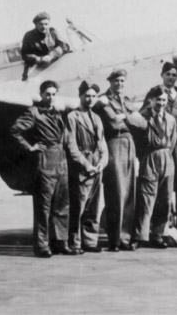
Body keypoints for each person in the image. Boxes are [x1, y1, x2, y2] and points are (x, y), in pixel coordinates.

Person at [10, 80, 71, 257]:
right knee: (43, 206)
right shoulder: (34, 112)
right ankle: (42, 245)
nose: (50, 97)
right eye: (47, 94)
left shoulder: (58, 113)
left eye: (53, 94)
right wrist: (30, 147)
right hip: (45, 161)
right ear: (42, 94)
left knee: (62, 204)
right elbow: (14, 130)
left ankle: (60, 242)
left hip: (61, 160)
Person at [141, 62, 177, 240]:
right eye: (168, 74)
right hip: (161, 139)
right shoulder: (154, 92)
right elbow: (144, 112)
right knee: (161, 182)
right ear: (162, 75)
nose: (171, 78)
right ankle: (157, 225)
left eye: (174, 75)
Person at [93, 68, 138, 252]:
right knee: (116, 193)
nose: (119, 84)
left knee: (129, 194)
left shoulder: (126, 101)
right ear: (110, 82)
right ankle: (115, 240)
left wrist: (124, 117)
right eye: (116, 81)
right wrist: (129, 117)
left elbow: (142, 124)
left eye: (122, 81)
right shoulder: (103, 100)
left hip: (129, 144)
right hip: (115, 143)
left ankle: (125, 238)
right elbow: (112, 122)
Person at [131, 85, 177, 248]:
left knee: (164, 199)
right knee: (146, 199)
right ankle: (141, 236)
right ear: (151, 101)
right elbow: (136, 140)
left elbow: (172, 142)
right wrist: (144, 157)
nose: (161, 103)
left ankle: (159, 234)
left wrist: (165, 155)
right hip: (150, 157)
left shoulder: (171, 120)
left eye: (164, 100)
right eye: (158, 100)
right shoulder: (143, 118)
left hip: (166, 158)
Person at [66, 81, 109, 254]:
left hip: (97, 165)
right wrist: (86, 165)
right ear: (80, 96)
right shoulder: (72, 117)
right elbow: (71, 146)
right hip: (82, 166)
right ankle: (75, 243)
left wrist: (102, 163)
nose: (90, 99)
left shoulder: (97, 118)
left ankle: (90, 241)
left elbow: (103, 144)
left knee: (94, 205)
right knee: (78, 206)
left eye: (93, 96)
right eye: (87, 96)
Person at [20, 12, 68, 81]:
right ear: (36, 25)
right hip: (39, 70)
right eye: (41, 24)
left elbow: (64, 46)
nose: (44, 27)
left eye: (46, 24)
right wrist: (39, 59)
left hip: (57, 66)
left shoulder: (53, 32)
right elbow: (25, 54)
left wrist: (51, 55)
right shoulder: (28, 36)